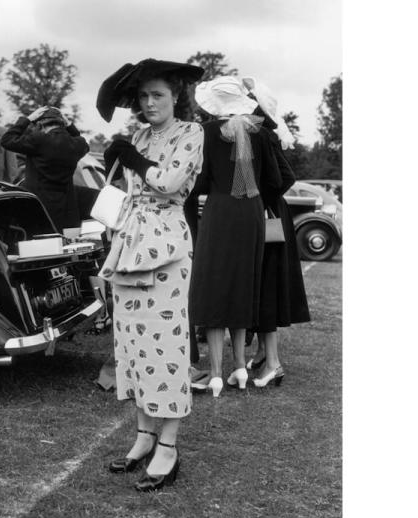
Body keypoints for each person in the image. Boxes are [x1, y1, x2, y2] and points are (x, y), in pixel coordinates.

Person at [95, 58, 204, 492]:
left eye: (158, 94)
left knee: (167, 346)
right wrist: (116, 160)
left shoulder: (191, 133)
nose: (150, 102)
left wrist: (133, 158)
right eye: (143, 96)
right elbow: (127, 189)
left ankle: (169, 445)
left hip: (167, 245)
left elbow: (169, 181)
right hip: (130, 243)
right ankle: (144, 437)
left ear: (176, 95)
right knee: (133, 344)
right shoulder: (138, 135)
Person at [185, 76, 284, 397]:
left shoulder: (206, 133)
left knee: (215, 288)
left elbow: (197, 181)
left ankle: (215, 373)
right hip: (251, 215)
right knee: (243, 286)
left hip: (219, 212)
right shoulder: (262, 133)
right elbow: (276, 179)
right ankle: (239, 367)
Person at [239, 76, 312, 387]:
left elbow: (286, 176)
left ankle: (273, 363)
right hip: (270, 212)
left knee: (266, 287)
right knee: (262, 286)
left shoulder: (263, 135)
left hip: (268, 216)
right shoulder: (262, 133)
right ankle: (261, 355)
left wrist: (263, 198)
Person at [0, 106, 90, 230]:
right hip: (65, 210)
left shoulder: (38, 140)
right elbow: (82, 141)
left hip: (38, 208)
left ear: (41, 125)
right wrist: (70, 125)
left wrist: (27, 119)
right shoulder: (76, 144)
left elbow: (6, 140)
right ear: (62, 123)